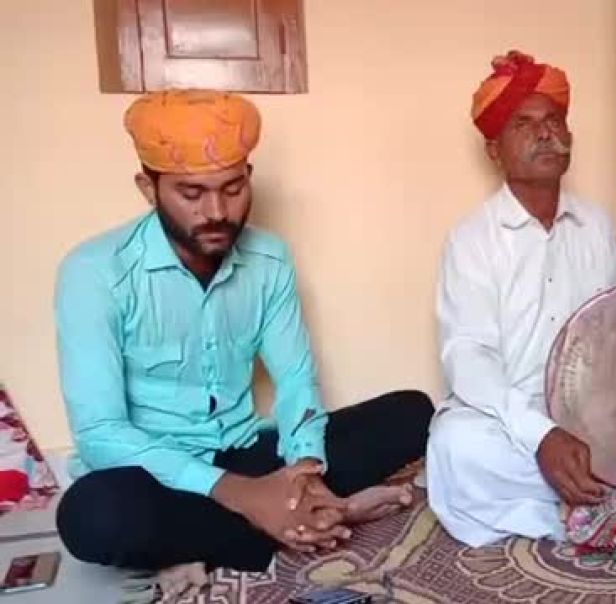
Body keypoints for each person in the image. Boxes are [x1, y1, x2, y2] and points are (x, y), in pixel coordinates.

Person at [53, 90, 433, 588]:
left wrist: (306, 472)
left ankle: (268, 519)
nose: (217, 211)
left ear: (249, 179)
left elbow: (295, 379)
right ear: (148, 188)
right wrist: (239, 493)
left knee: (413, 411)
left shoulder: (269, 259)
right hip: (159, 472)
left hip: (249, 451)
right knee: (92, 516)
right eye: (192, 194)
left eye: (233, 189)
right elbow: (101, 433)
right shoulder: (95, 272)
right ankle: (315, 516)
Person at [425, 51, 616, 547]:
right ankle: (597, 511)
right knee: (456, 448)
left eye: (554, 120)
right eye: (523, 124)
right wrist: (541, 435)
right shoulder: (472, 239)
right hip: (510, 418)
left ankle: (587, 500)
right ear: (493, 150)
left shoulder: (597, 226)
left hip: (595, 410)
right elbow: (468, 358)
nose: (545, 133)